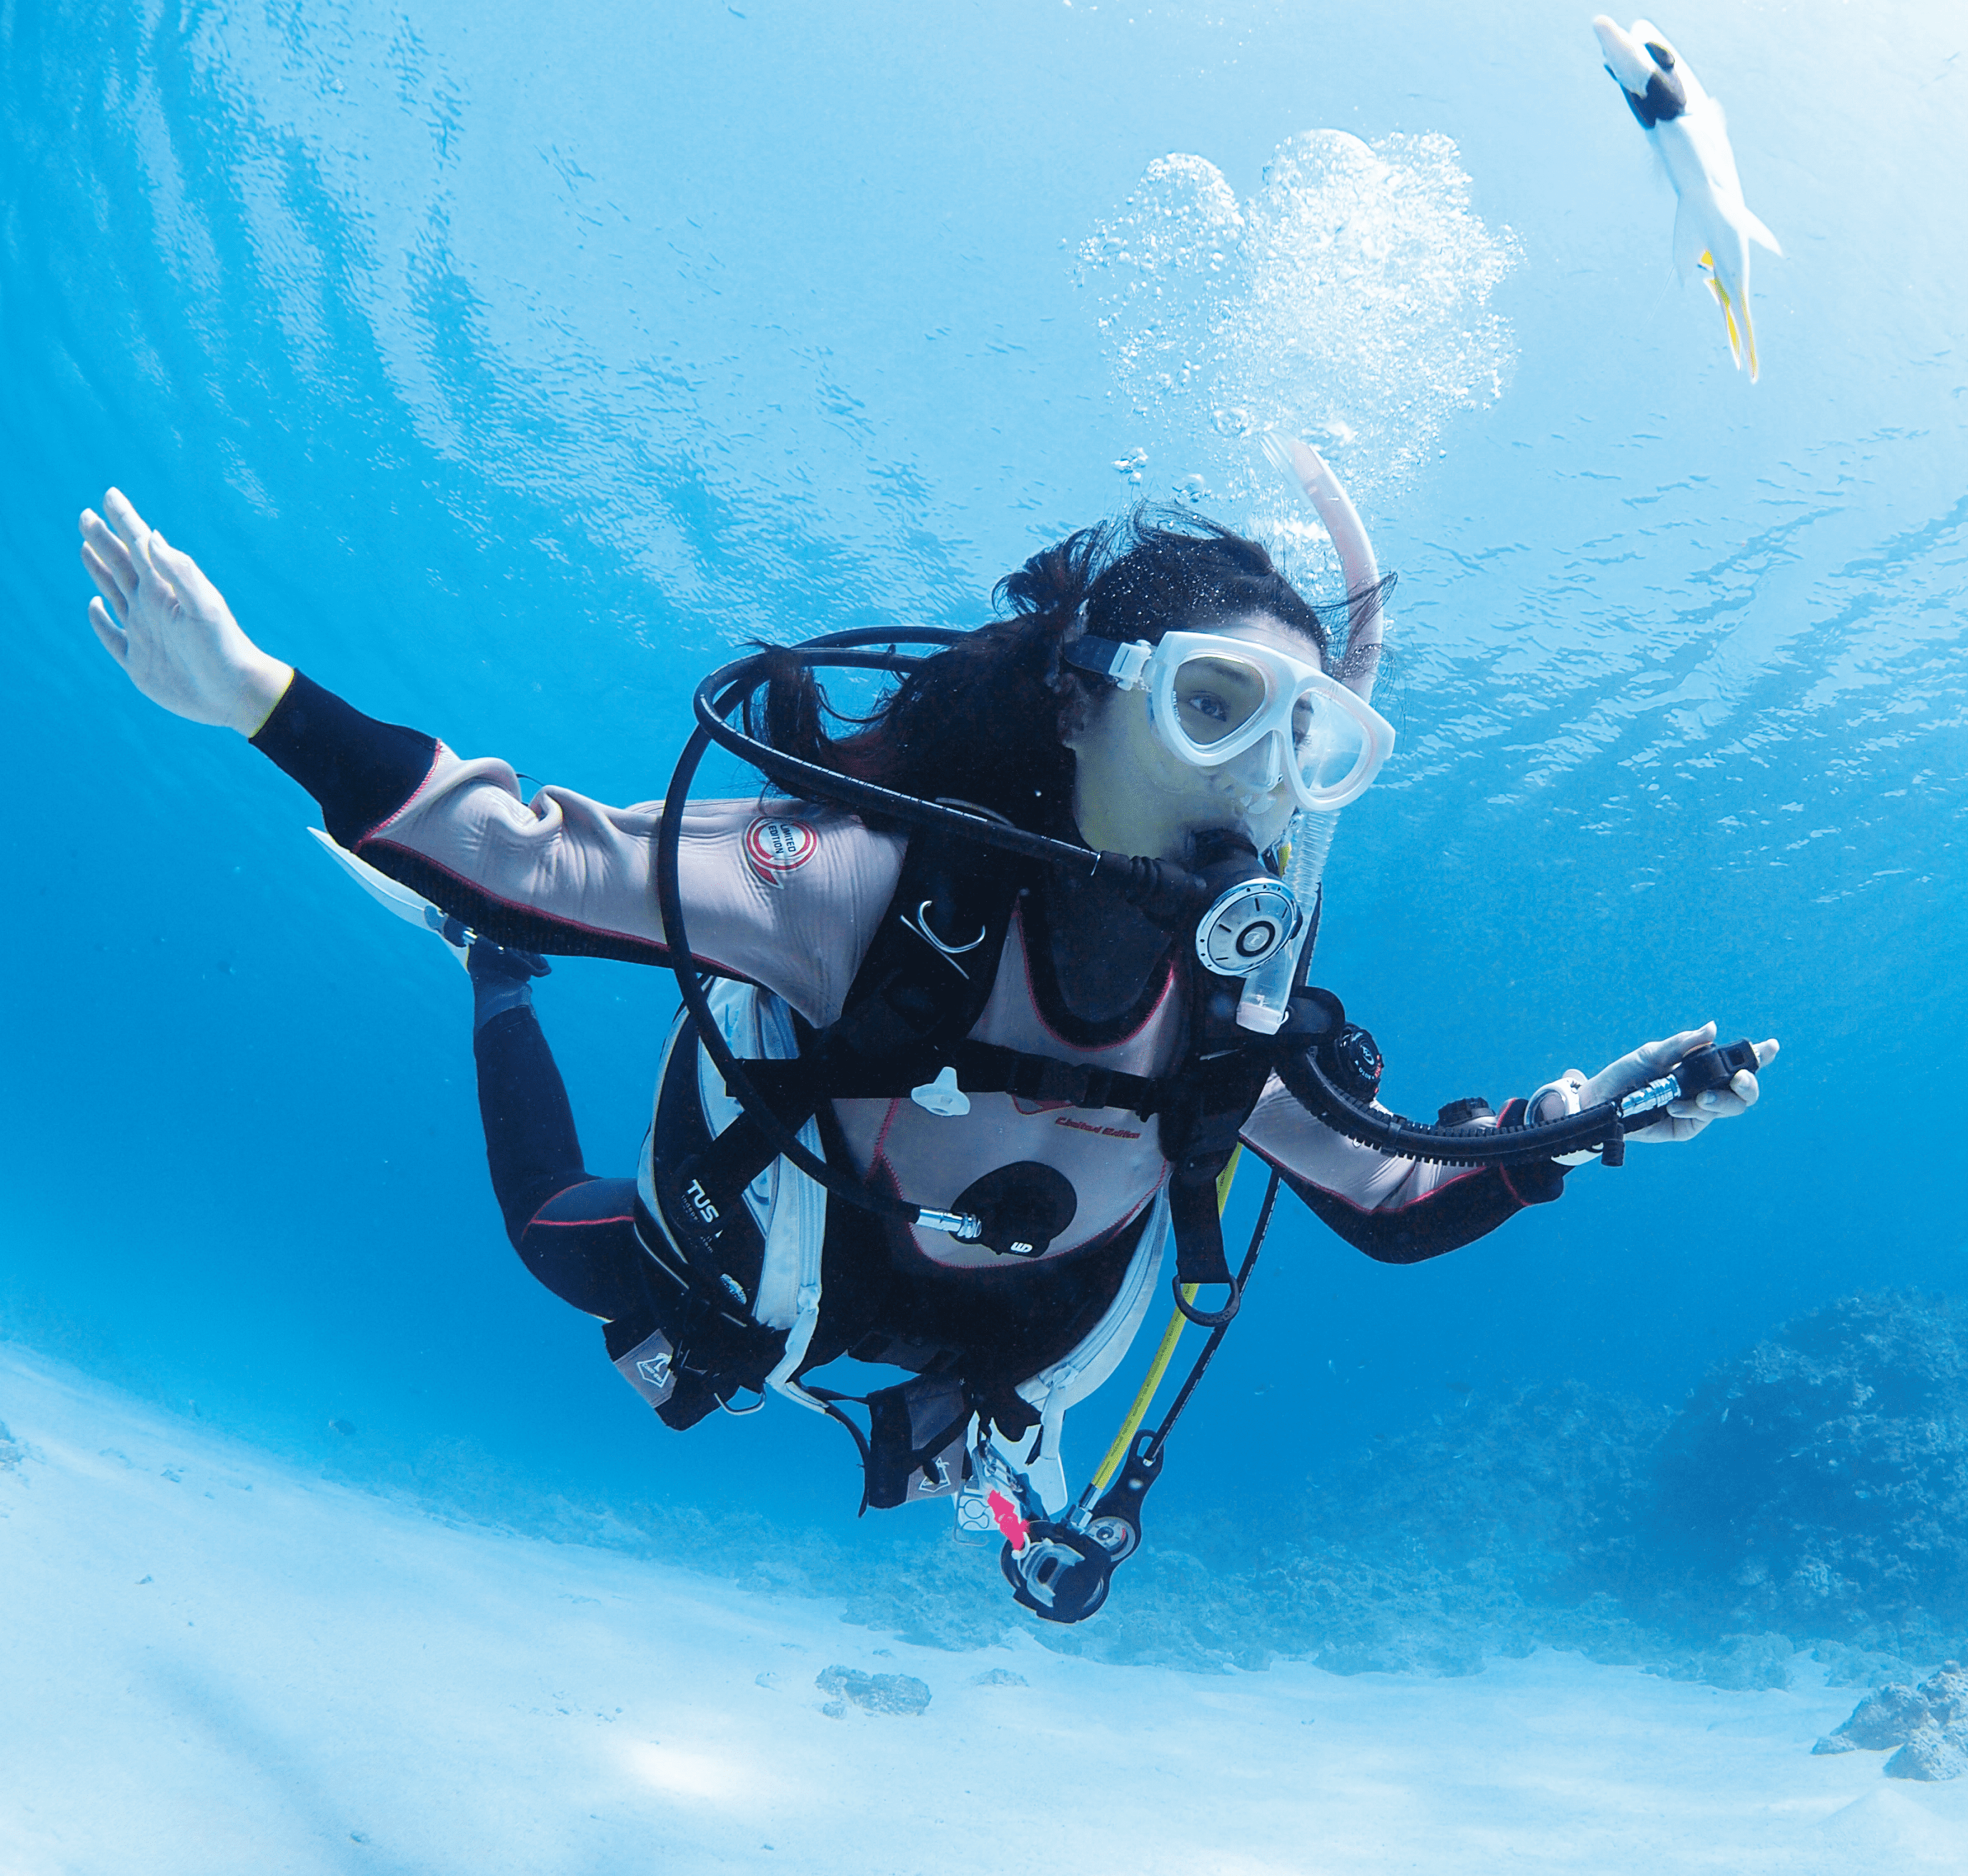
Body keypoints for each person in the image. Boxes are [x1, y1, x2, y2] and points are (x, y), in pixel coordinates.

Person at [76, 484, 1778, 1614]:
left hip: (1017, 1340)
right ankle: (490, 988)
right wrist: (253, 696)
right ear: (1077, 697)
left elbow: (1401, 1195)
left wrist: (1581, 1120)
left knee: (999, 1440)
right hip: (786, 1263)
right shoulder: (862, 894)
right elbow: (541, 849)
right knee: (554, 1239)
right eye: (1211, 708)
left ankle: (1000, 1479)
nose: (1261, 782)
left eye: (1310, 743)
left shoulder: (1232, 1023)